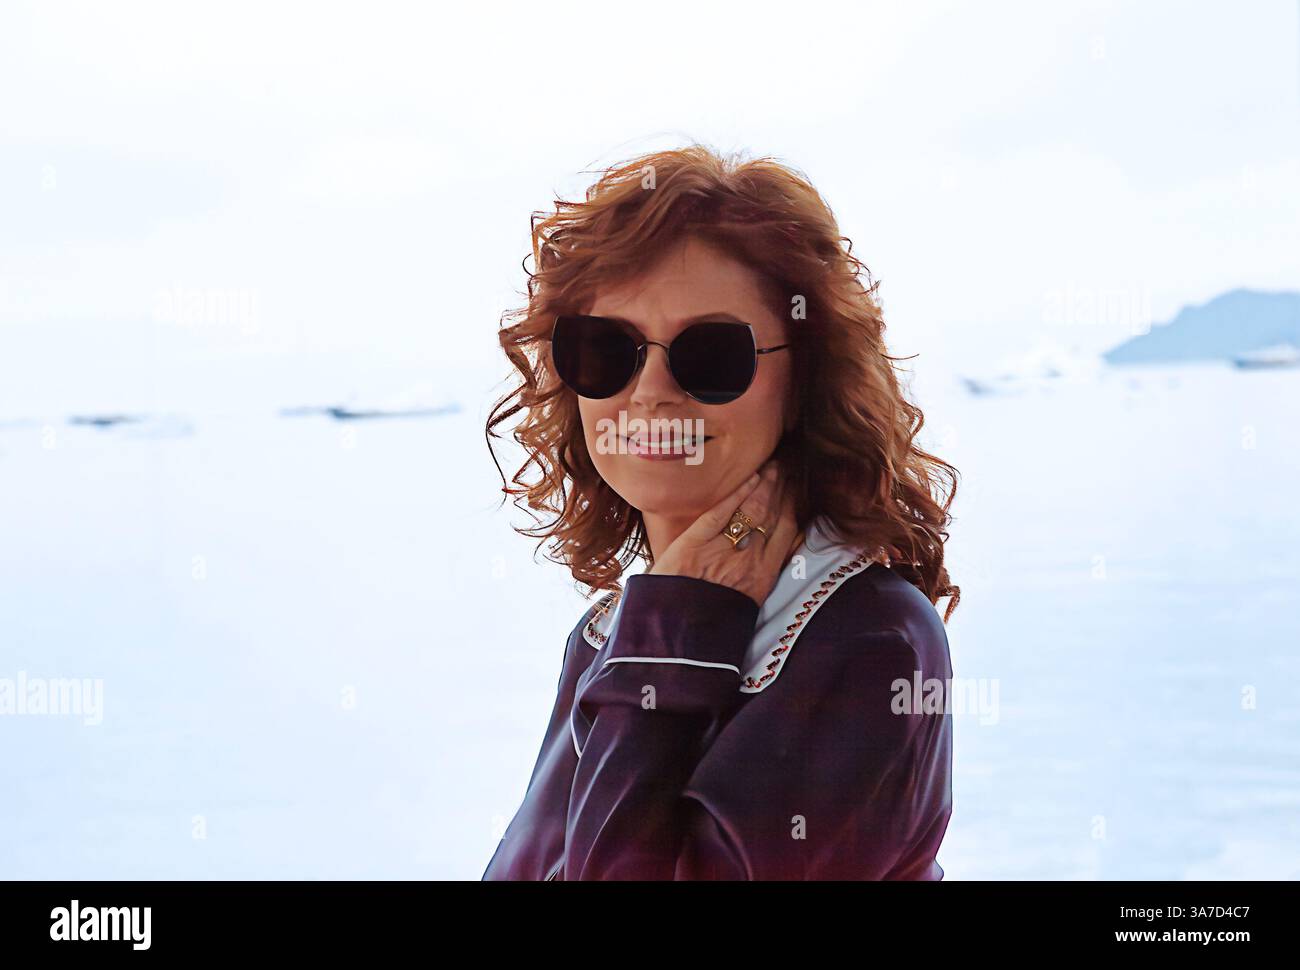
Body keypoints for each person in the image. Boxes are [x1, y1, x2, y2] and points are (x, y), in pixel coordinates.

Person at [482, 144, 961, 880]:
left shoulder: (871, 639)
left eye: (709, 355)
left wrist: (675, 629)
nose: (648, 392)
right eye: (607, 349)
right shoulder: (607, 636)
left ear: (804, 378)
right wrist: (671, 623)